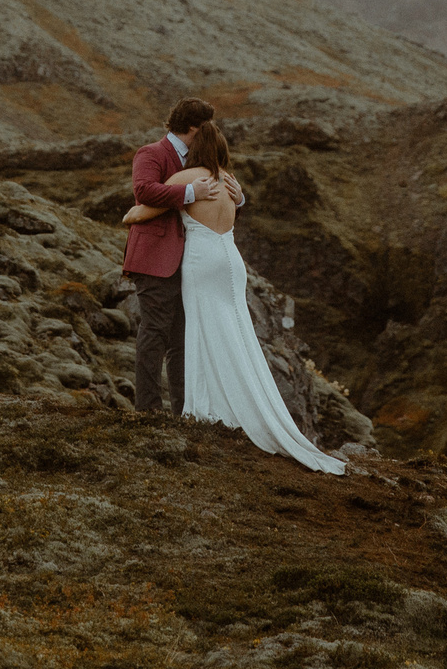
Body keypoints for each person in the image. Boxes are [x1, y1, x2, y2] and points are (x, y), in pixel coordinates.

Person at [122, 115, 345, 474]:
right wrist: (239, 200)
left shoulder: (188, 178)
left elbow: (140, 210)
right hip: (231, 262)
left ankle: (204, 405)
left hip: (203, 263)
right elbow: (231, 208)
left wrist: (132, 215)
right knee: (233, 334)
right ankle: (242, 405)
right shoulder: (229, 182)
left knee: (200, 332)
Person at [121, 98, 230, 416]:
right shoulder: (151, 153)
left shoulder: (197, 158)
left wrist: (237, 199)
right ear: (194, 126)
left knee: (181, 339)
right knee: (154, 332)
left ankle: (183, 410)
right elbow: (143, 191)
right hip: (154, 259)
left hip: (189, 263)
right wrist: (190, 192)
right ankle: (148, 409)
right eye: (206, 125)